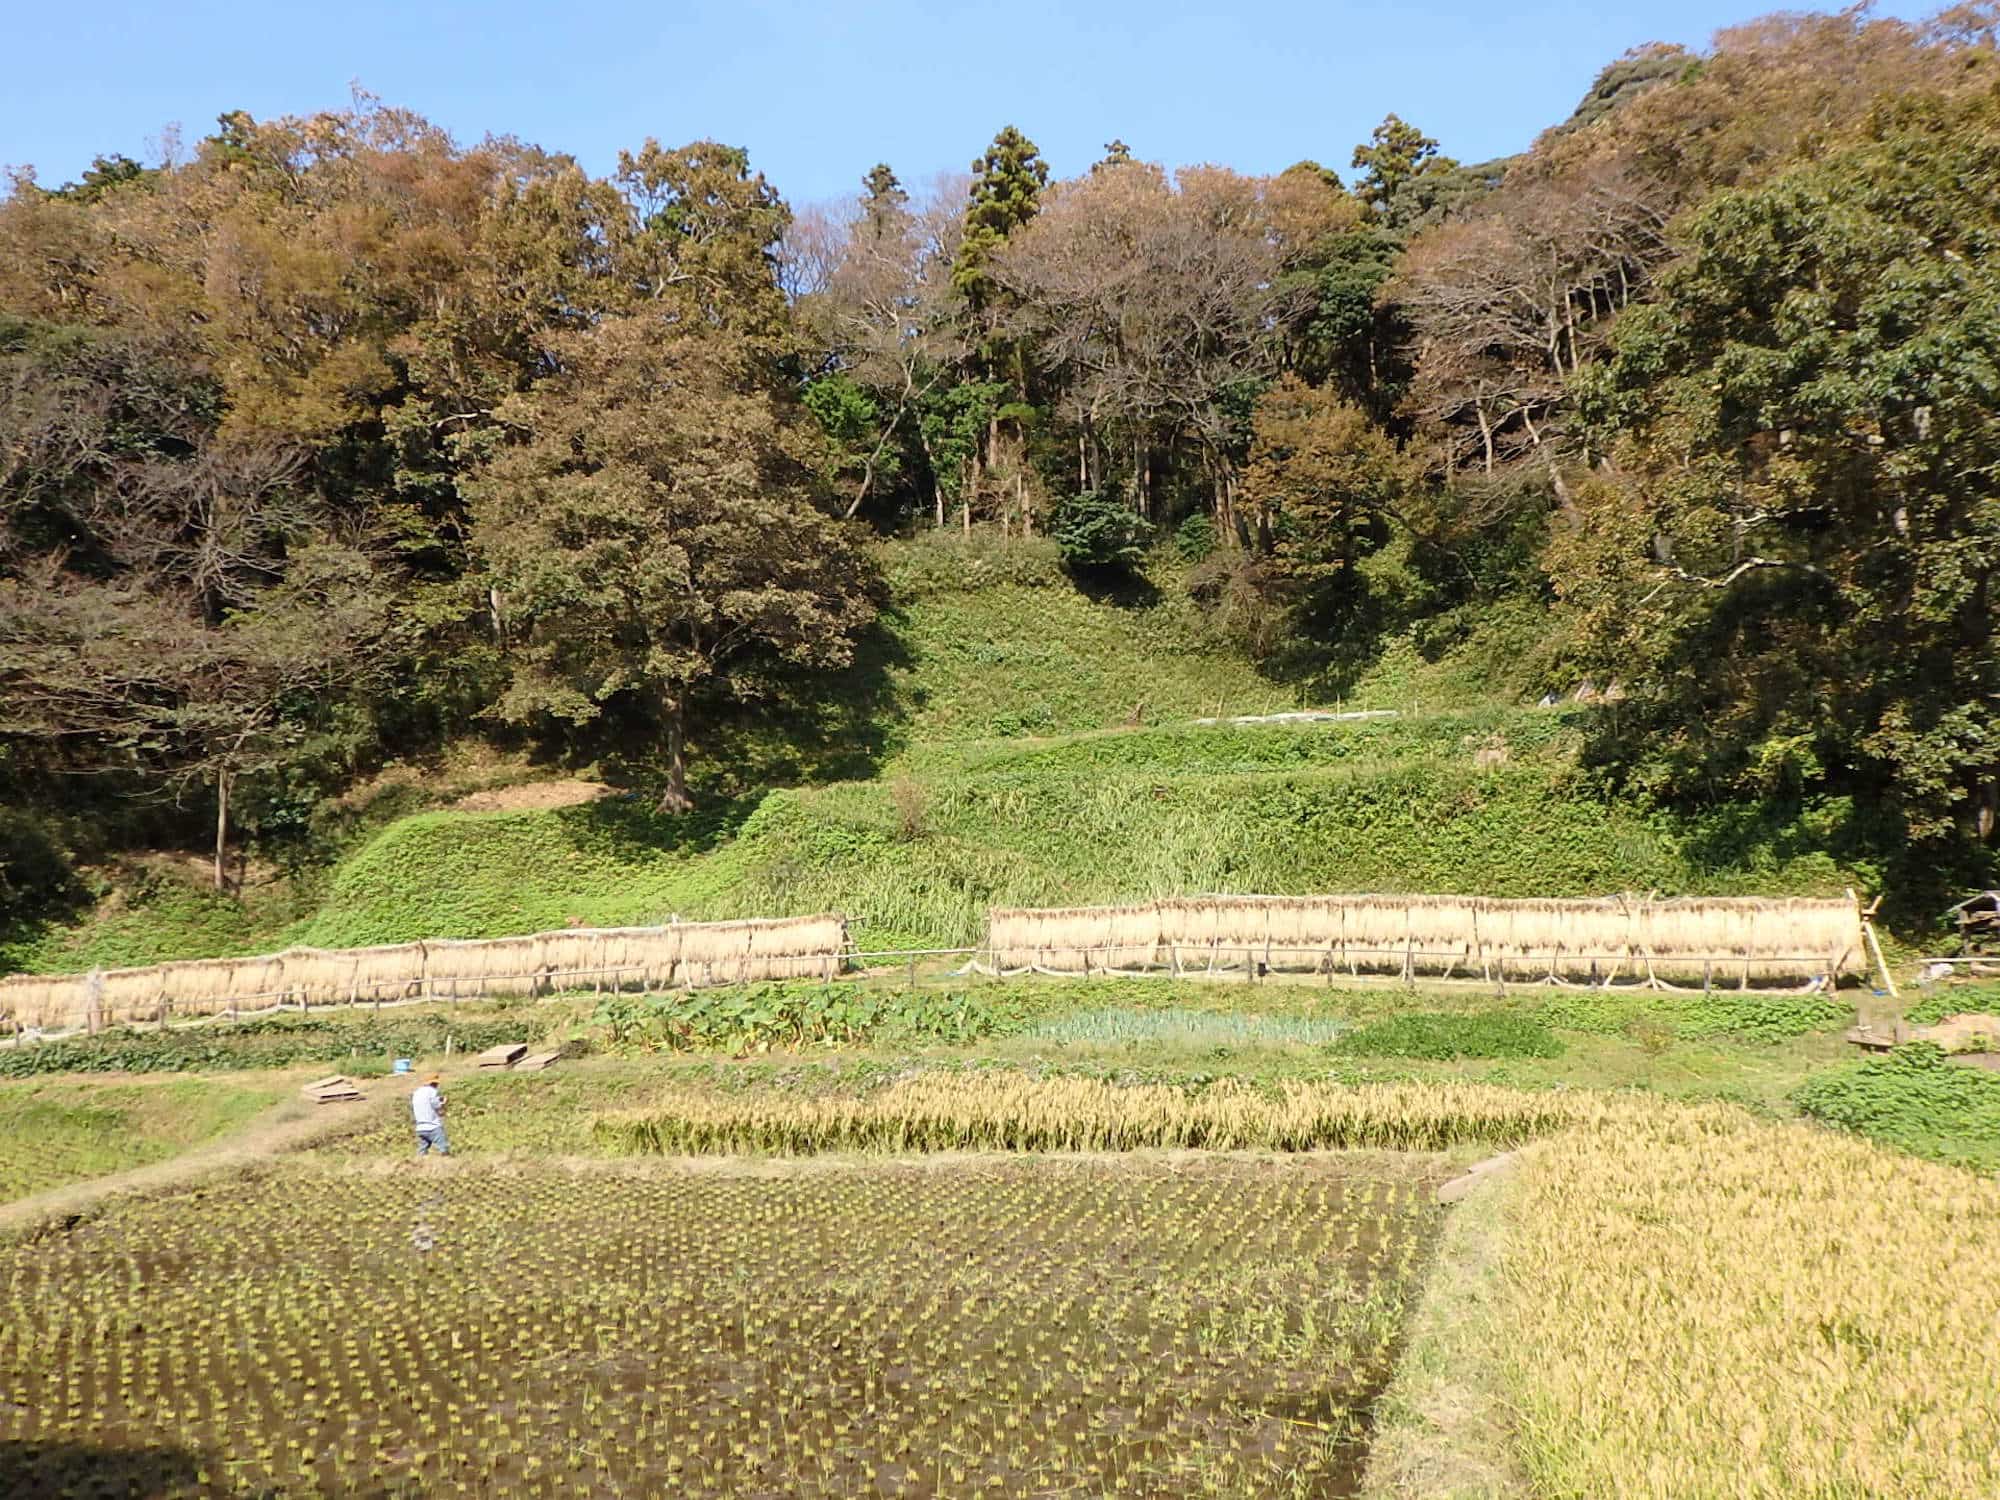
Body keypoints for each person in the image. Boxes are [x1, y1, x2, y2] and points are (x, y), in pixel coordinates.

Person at [411, 1073, 449, 1157]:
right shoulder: (432, 1091)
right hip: (432, 1126)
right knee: (444, 1148)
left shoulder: (416, 1092)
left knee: (422, 1150)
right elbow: (437, 1105)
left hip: (420, 1127)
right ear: (434, 1083)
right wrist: (443, 1103)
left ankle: (420, 1165)